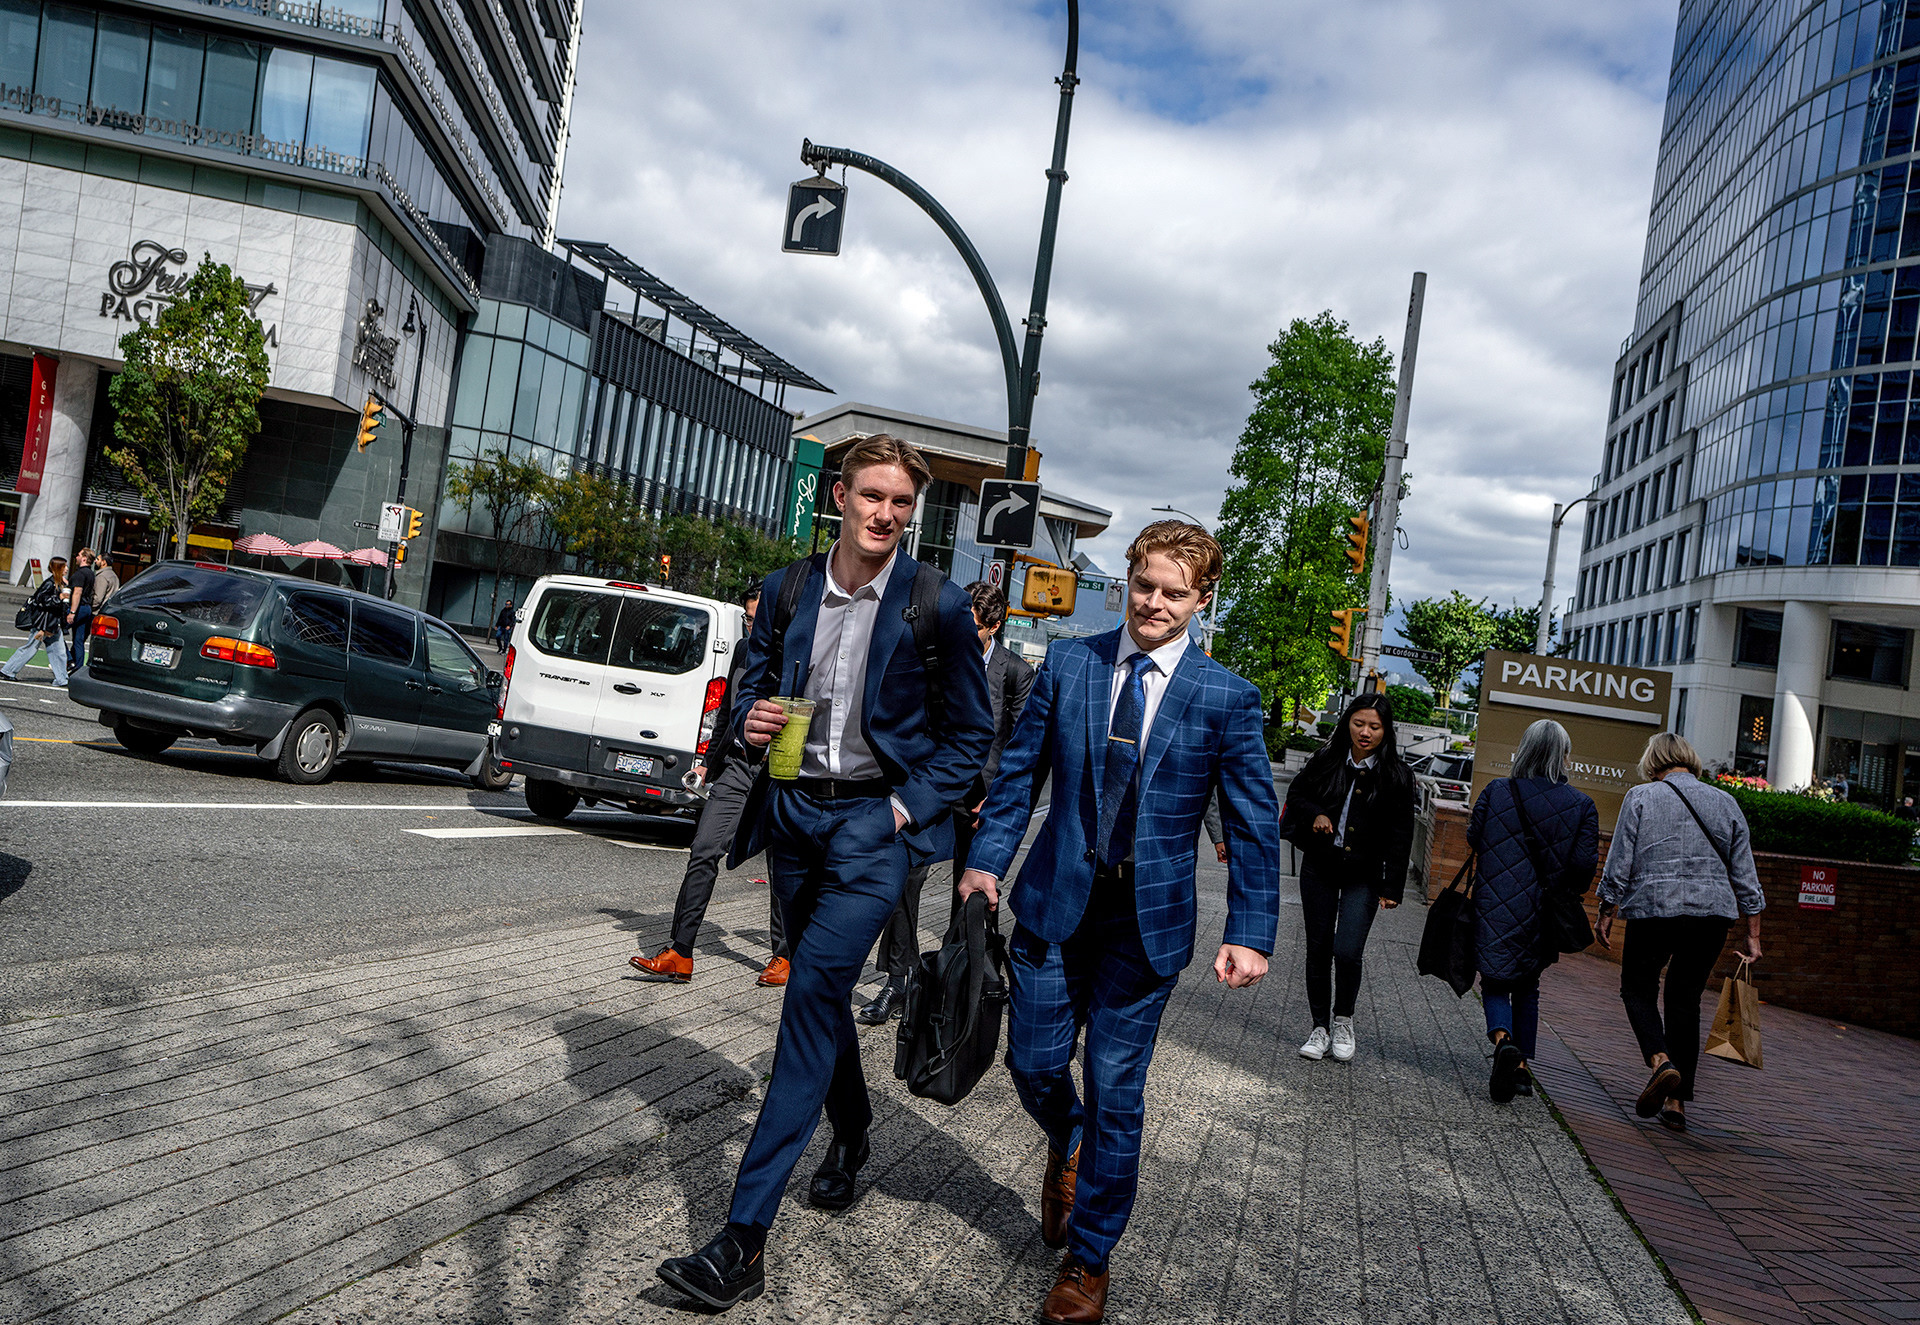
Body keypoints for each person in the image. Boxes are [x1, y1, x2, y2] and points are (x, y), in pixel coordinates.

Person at [654, 434, 993, 1312]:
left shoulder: (936, 603)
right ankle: (852, 1131)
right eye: (873, 495)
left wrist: (904, 810)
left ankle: (742, 1239)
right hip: (796, 813)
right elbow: (747, 689)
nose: (887, 514)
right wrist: (751, 720)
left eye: (902, 502)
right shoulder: (787, 588)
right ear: (839, 495)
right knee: (821, 992)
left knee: (807, 997)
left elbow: (971, 738)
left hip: (876, 828)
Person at [957, 520, 1281, 1325]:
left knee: (1116, 1088)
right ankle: (1068, 1142)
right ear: (1127, 581)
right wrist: (986, 862)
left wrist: (1251, 929)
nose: (1154, 603)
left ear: (1202, 599)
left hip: (1147, 925)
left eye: (1174, 592)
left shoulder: (1227, 696)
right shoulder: (1071, 663)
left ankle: (1089, 1257)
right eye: (1144, 585)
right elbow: (1019, 778)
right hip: (1054, 904)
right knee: (1031, 1061)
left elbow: (1251, 823)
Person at [858, 579, 1035, 1025]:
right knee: (902, 879)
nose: (962, 632)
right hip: (931, 786)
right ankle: (899, 979)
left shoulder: (1014, 672)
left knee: (970, 893)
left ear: (993, 627)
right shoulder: (934, 654)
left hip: (980, 798)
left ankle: (960, 984)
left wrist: (997, 798)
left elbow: (1022, 746)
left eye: (972, 627)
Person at [1596, 732, 1764, 1132]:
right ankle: (1676, 1103)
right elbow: (1745, 873)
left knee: (1637, 988)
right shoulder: (1725, 802)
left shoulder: (1640, 797)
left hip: (1654, 909)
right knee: (1685, 1000)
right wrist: (1754, 933)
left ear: (1653, 761)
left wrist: (1606, 909)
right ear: (1689, 759)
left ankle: (1661, 1061)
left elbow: (1620, 860)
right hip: (1711, 916)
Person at [629, 582, 791, 987]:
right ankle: (680, 952)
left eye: (759, 619)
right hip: (737, 766)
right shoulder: (743, 650)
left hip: (778, 774)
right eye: (748, 620)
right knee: (703, 849)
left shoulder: (797, 654)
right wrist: (706, 764)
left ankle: (785, 954)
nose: (753, 627)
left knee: (781, 864)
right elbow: (727, 714)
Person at [1466, 720, 1598, 1103]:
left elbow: (1474, 838)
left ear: (1523, 750)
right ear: (1563, 756)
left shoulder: (1497, 790)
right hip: (1543, 911)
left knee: (1494, 980)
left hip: (1494, 903)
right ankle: (1521, 1068)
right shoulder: (1582, 805)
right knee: (1528, 985)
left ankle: (1503, 1041)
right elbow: (1583, 867)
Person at [1281, 694, 1416, 1063]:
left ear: (1386, 731)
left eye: (1374, 726)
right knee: (1318, 948)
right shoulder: (1326, 759)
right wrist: (1316, 813)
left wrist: (1392, 886)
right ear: (1348, 724)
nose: (1365, 732)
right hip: (1320, 867)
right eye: (1359, 724)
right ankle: (1319, 1028)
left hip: (1364, 876)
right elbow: (1297, 794)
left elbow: (1402, 833)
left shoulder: (1397, 775)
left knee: (1347, 950)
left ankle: (1343, 1020)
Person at [2, 558, 70, 687]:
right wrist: (59, 598)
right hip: (43, 624)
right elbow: (40, 600)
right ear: (58, 568)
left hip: (51, 624)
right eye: (64, 566)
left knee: (58, 651)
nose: (67, 568)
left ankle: (62, 679)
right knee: (31, 648)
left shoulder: (59, 583)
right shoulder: (50, 583)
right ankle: (8, 670)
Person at [65, 548, 97, 670]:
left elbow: (77, 592)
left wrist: (72, 612)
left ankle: (69, 659)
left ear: (84, 558)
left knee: (55, 631)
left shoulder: (80, 574)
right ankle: (77, 667)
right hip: (86, 608)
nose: (76, 557)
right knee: (79, 639)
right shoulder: (90, 573)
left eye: (78, 555)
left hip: (78, 608)